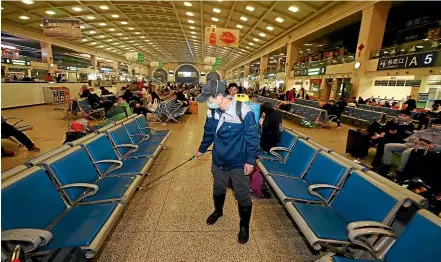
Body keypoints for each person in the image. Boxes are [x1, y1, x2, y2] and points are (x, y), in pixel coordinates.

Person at [195, 80, 260, 244]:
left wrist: (251, 161)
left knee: (243, 195)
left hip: (239, 161)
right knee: (218, 188)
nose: (207, 102)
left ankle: (244, 226)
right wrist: (202, 148)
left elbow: (252, 139)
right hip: (219, 159)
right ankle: (218, 211)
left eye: (209, 99)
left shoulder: (244, 111)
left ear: (219, 97)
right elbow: (208, 132)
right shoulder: (212, 112)